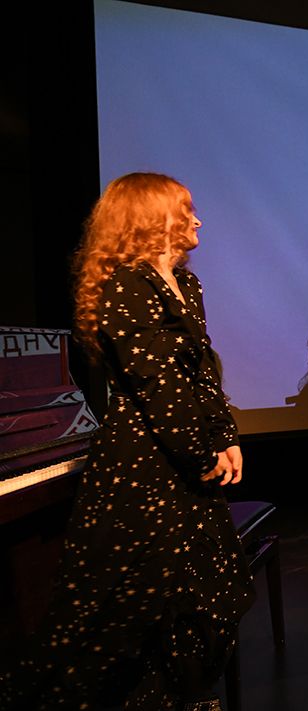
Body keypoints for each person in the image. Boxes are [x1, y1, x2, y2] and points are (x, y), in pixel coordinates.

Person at [0, 173, 253, 711]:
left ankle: (178, 695)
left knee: (213, 593)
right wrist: (201, 451)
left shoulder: (187, 285)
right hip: (144, 465)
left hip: (186, 459)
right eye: (186, 209)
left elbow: (201, 373)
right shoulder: (127, 286)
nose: (198, 219)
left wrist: (226, 435)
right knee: (125, 613)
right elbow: (158, 385)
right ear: (150, 218)